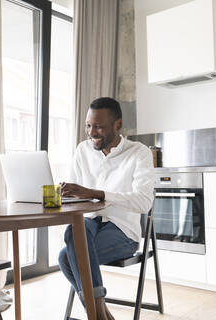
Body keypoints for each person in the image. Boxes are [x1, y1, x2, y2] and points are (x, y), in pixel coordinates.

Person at [59, 97, 154, 320]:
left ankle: (98, 316)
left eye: (99, 126)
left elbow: (143, 202)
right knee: (75, 233)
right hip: (89, 224)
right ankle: (101, 316)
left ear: (117, 125)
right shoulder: (82, 150)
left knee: (66, 258)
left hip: (122, 231)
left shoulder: (138, 152)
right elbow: (74, 194)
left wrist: (95, 193)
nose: (92, 132)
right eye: (88, 125)